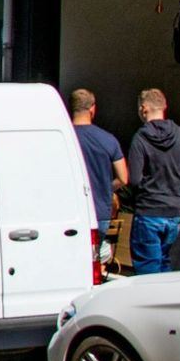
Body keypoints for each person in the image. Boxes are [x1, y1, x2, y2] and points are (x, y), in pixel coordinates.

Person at [125, 88, 180, 276]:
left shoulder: (140, 138)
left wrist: (145, 194)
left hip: (148, 211)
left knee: (147, 269)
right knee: (165, 263)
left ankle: (148, 303)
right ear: (164, 106)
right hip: (174, 212)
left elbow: (134, 179)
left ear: (143, 109)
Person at [69, 89, 127, 270]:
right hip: (99, 211)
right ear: (93, 109)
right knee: (93, 262)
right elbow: (123, 178)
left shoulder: (63, 137)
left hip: (71, 212)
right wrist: (104, 188)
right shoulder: (108, 140)